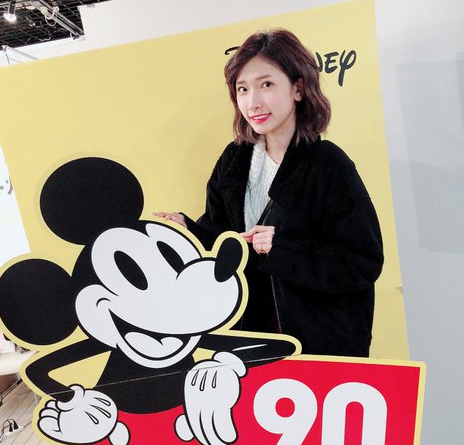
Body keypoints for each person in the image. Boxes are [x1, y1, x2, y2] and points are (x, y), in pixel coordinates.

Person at [155, 28, 384, 357]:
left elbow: (362, 263)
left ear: (298, 89)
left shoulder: (328, 165)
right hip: (250, 341)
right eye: (243, 89)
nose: (253, 102)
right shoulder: (233, 160)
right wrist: (188, 229)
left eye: (266, 85)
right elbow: (223, 239)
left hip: (318, 346)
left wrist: (282, 249)